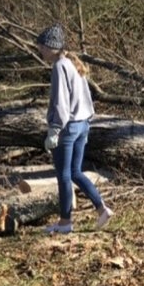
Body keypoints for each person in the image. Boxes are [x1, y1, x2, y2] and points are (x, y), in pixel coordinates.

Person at [35, 24, 113, 234]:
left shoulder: (60, 66)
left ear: (52, 46)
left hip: (68, 128)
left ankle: (65, 222)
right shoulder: (73, 64)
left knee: (63, 175)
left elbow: (61, 102)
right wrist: (86, 122)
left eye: (41, 46)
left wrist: (54, 130)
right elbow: (86, 99)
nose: (39, 50)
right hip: (82, 125)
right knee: (76, 172)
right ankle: (102, 209)